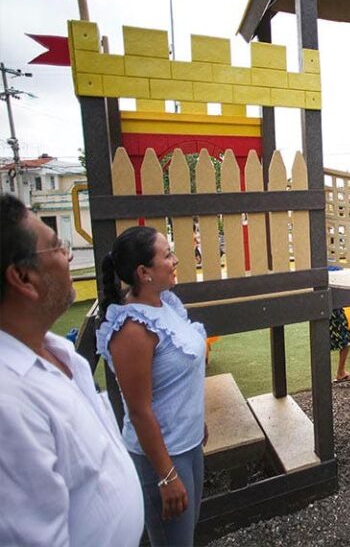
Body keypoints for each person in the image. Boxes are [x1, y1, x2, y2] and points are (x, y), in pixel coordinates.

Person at [0, 194, 144, 546]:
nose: (67, 256)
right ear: (23, 277)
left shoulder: (59, 352)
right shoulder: (8, 405)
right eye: (57, 246)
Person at [96, 226, 208, 546]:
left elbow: (178, 379)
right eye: (167, 255)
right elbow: (139, 411)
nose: (175, 260)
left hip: (188, 445)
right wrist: (166, 475)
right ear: (144, 272)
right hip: (162, 458)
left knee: (186, 535)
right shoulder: (132, 330)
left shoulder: (166, 305)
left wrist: (196, 419)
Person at [327, 265, 350, 384]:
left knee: (323, 342)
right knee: (346, 341)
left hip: (324, 306)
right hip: (335, 309)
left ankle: (327, 374)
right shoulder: (334, 268)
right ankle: (341, 372)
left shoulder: (318, 268)